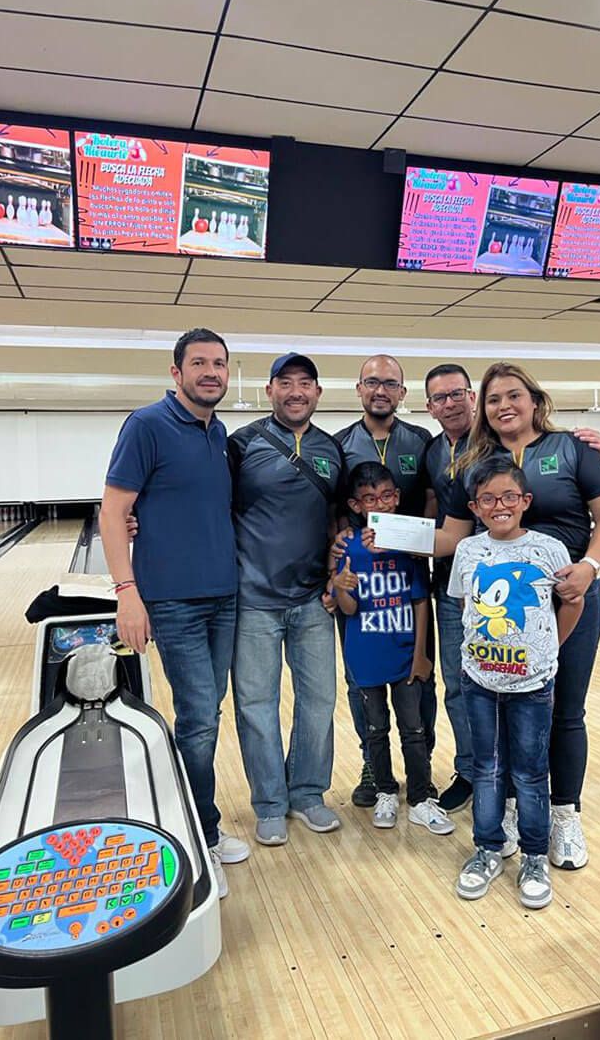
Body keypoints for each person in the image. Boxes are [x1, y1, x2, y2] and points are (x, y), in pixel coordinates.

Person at [437, 361, 600, 870]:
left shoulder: (573, 449)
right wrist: (383, 535)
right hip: (505, 612)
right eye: (494, 398)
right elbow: (452, 537)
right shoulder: (473, 463)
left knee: (565, 710)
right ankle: (518, 809)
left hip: (572, 597)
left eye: (514, 395)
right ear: (483, 408)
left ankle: (565, 815)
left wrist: (588, 567)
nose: (505, 406)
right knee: (506, 712)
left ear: (534, 400)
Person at [99, 328, 250, 900]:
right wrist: (127, 592)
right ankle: (199, 834)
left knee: (205, 713)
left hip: (224, 596)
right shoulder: (146, 425)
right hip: (172, 599)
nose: (211, 372)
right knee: (200, 717)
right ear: (176, 372)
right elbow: (113, 511)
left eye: (220, 364)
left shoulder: (219, 434)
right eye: (200, 363)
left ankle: (195, 821)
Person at [449, 457, 582, 907]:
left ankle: (534, 856)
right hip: (479, 680)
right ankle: (487, 850)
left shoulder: (549, 549)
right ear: (475, 507)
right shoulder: (468, 550)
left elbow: (573, 603)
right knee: (486, 769)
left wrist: (548, 649)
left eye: (508, 496)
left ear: (525, 501)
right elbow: (466, 607)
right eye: (487, 499)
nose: (499, 505)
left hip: (532, 685)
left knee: (529, 773)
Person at [228, 353, 344, 847]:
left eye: (305, 383)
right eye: (286, 382)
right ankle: (270, 803)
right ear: (270, 390)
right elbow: (209, 505)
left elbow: (338, 518)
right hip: (254, 599)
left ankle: (308, 793)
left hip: (313, 599)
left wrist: (337, 572)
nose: (296, 391)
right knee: (257, 705)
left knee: (319, 701)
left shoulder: (330, 449)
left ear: (317, 392)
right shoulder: (242, 444)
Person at [335, 355, 436, 807]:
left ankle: (421, 765)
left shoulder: (421, 440)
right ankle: (372, 764)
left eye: (390, 383)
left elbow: (433, 498)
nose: (381, 390)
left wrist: (422, 542)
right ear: (359, 388)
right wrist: (337, 560)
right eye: (372, 382)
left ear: (402, 392)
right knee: (363, 683)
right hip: (360, 573)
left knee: (419, 678)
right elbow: (334, 509)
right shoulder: (340, 444)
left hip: (407, 572)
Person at [333, 462, 455, 834]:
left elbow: (420, 601)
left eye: (387, 496)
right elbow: (348, 609)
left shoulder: (407, 545)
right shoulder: (348, 546)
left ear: (397, 497)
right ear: (356, 505)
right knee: (375, 730)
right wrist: (340, 587)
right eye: (370, 499)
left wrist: (421, 655)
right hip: (366, 657)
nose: (381, 504)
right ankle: (386, 791)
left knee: (413, 730)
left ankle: (420, 797)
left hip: (405, 657)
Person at [423, 364, 476, 813]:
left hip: (501, 586)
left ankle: (510, 773)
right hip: (449, 585)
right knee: (457, 683)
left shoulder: (497, 439)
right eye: (440, 397)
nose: (450, 403)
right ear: (429, 407)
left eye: (457, 393)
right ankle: (470, 770)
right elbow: (433, 513)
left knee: (504, 684)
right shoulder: (434, 450)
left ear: (472, 396)